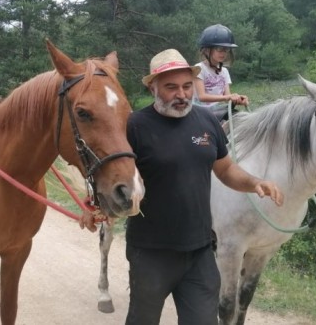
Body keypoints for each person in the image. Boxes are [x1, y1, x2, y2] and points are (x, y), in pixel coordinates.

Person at [79, 49, 284, 325]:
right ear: (153, 87)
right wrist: (92, 205)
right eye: (171, 87)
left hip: (199, 252)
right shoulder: (135, 126)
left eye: (187, 86)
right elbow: (109, 172)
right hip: (151, 253)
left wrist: (255, 182)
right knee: (143, 320)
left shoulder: (207, 121)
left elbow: (225, 169)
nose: (182, 94)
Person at [194, 24, 249, 117]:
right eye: (219, 49)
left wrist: (237, 99)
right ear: (207, 50)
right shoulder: (199, 68)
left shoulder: (224, 72)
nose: (223, 53)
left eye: (226, 49)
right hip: (199, 112)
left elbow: (227, 95)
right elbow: (202, 97)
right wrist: (227, 97)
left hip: (216, 111)